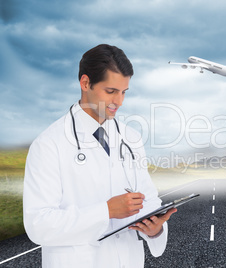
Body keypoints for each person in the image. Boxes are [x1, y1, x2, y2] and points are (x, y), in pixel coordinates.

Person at [23, 44, 176, 268]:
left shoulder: (130, 138)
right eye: (111, 91)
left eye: (124, 92)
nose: (119, 102)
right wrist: (106, 211)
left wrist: (155, 229)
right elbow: (38, 225)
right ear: (85, 83)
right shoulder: (48, 145)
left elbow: (149, 199)